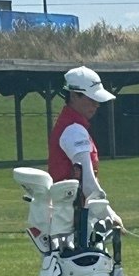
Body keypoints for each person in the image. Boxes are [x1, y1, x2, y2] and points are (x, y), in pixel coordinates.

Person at [49, 66, 116, 205]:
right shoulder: (74, 130)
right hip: (74, 215)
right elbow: (88, 184)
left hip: (68, 211)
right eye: (92, 99)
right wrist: (107, 213)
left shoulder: (69, 125)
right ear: (73, 96)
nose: (97, 104)